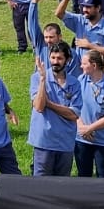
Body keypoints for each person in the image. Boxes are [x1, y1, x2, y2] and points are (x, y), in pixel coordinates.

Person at [29, 44, 80, 176]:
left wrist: (50, 104)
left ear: (68, 60)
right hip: (44, 142)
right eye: (52, 58)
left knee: (61, 185)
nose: (55, 62)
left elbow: (73, 114)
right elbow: (39, 106)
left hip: (65, 143)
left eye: (59, 58)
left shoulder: (75, 83)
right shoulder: (36, 78)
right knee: (41, 186)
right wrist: (42, 80)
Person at [73, 50, 104, 178]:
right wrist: (81, 127)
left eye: (84, 64)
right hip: (82, 138)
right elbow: (74, 107)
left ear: (94, 66)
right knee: (83, 176)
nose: (81, 66)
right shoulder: (80, 80)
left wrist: (90, 128)